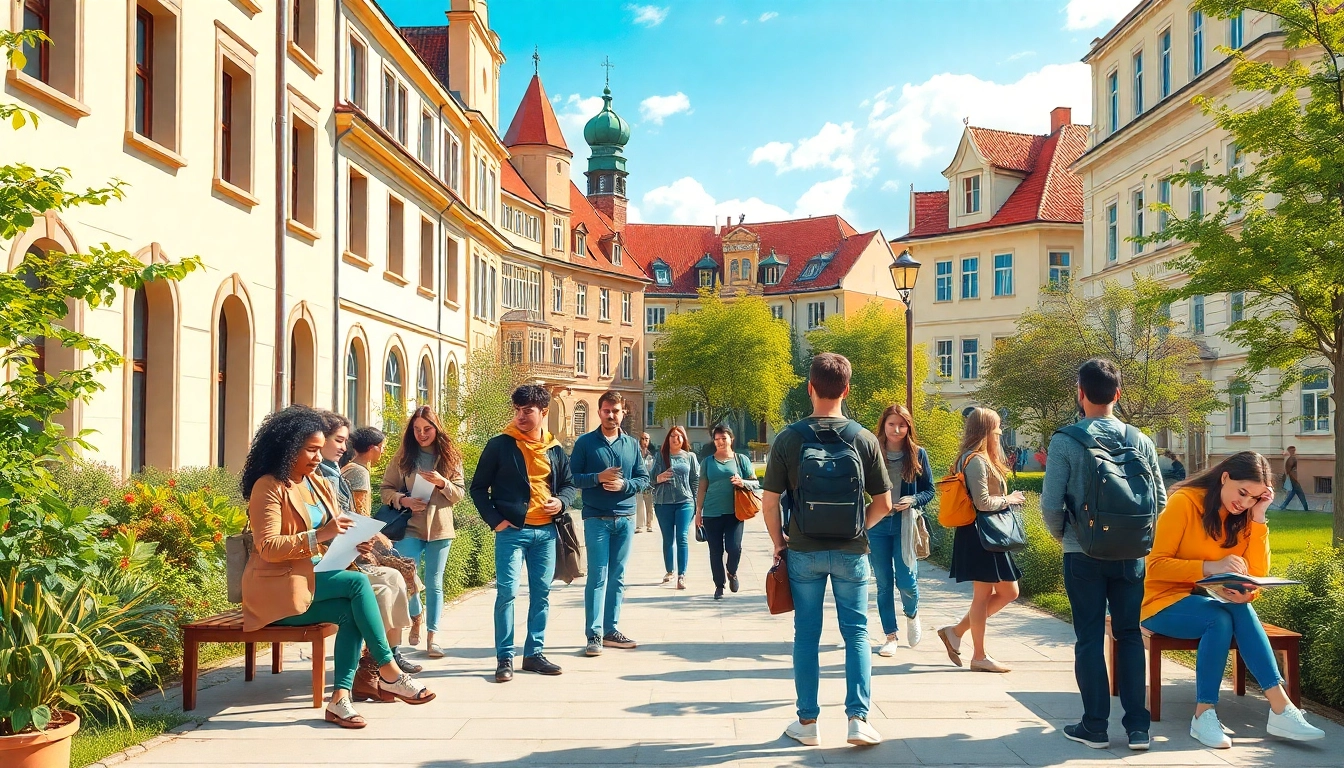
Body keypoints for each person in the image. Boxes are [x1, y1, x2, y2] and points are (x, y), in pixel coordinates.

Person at [239, 405, 433, 729]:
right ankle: (389, 671)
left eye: (319, 449)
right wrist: (322, 535)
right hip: (279, 590)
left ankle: (340, 700)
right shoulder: (269, 487)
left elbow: (332, 532)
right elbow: (268, 548)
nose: (318, 457)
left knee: (351, 606)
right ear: (288, 447)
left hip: (316, 580)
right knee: (357, 586)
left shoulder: (315, 482)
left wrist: (354, 542)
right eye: (311, 450)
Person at [1143, 451, 1325, 747]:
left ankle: (1278, 708)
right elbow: (1154, 565)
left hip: (1206, 600)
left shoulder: (1243, 516)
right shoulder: (1185, 502)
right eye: (1242, 492)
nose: (1244, 502)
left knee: (1237, 608)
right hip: (1159, 601)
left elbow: (1256, 572)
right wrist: (1209, 568)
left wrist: (1259, 518)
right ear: (1224, 477)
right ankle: (1208, 714)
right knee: (1220, 617)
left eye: (1254, 498)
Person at [763, 353, 892, 748]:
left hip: (804, 550)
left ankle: (807, 723)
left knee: (807, 635)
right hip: (852, 551)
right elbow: (884, 503)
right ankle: (858, 720)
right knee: (856, 633)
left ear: (810, 387)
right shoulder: (863, 438)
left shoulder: (789, 438)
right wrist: (857, 527)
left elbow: (769, 503)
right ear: (847, 389)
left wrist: (779, 542)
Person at [1041, 359, 1162, 751]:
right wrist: (1137, 538)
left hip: (1084, 552)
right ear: (1118, 394)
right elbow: (1158, 499)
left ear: (1080, 393)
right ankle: (1138, 728)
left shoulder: (1066, 440)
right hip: (1131, 555)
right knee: (1128, 635)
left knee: (1089, 637)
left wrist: (1066, 537)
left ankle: (1095, 726)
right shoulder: (1140, 439)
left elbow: (1050, 504)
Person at [470, 385, 578, 683]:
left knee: (541, 594)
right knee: (506, 593)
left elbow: (568, 485)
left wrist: (562, 501)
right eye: (516, 410)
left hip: (545, 532)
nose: (520, 416)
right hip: (512, 532)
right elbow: (478, 488)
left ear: (543, 412)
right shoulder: (500, 445)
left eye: (527, 411)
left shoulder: (555, 448)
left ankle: (533, 654)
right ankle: (505, 657)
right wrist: (496, 521)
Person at [316, 412, 419, 676]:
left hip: (343, 554)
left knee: (396, 577)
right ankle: (373, 666)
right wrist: (363, 537)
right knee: (392, 581)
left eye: (345, 441)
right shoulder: (324, 477)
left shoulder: (336, 473)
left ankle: (387, 659)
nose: (343, 447)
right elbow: (351, 516)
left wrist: (355, 539)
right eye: (338, 440)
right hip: (323, 566)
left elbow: (345, 519)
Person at [936, 407, 1025, 675]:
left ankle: (956, 632)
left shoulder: (982, 458)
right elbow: (983, 503)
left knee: (1009, 592)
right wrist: (1009, 499)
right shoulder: (975, 460)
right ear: (986, 430)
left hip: (987, 535)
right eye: (997, 428)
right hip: (981, 534)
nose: (999, 432)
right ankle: (979, 656)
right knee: (983, 596)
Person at [380, 406, 466, 659]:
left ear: (436, 428)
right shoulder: (403, 456)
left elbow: (459, 493)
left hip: (440, 528)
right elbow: (386, 489)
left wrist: (443, 482)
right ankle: (416, 616)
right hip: (409, 528)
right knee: (409, 581)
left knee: (435, 583)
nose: (422, 434)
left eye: (427, 429)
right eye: (416, 429)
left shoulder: (450, 457)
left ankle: (433, 636)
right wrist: (402, 500)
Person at [570, 391, 651, 656]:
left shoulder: (630, 445)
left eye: (616, 411)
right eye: (607, 410)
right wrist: (598, 477)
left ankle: (610, 629)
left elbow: (643, 478)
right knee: (597, 576)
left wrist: (625, 484)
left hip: (625, 518)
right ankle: (593, 635)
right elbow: (573, 478)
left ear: (622, 413)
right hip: (596, 518)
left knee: (618, 576)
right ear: (599, 412)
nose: (611, 415)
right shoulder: (585, 443)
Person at [868, 404, 934, 657]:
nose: (897, 429)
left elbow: (929, 490)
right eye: (891, 424)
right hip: (877, 524)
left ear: (908, 427)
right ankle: (890, 635)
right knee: (883, 583)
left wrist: (913, 500)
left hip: (905, 523)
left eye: (902, 425)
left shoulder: (917, 454)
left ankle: (912, 613)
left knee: (906, 579)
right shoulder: (873, 453)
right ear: (883, 425)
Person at [695, 423, 760, 600]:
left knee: (734, 547)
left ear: (731, 439)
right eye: (717, 439)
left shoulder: (741, 460)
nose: (720, 442)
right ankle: (719, 585)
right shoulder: (707, 462)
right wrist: (698, 511)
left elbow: (756, 484)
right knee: (715, 551)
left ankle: (732, 572)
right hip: (712, 513)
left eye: (724, 438)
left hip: (735, 512)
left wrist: (742, 482)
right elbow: (702, 488)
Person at [652, 425, 699, 590]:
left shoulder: (690, 457)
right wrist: (658, 478)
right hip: (663, 502)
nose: (675, 438)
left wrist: (696, 502)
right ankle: (670, 570)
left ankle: (681, 575)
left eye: (679, 436)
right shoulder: (660, 456)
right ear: (668, 439)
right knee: (667, 538)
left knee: (682, 536)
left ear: (684, 439)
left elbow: (695, 480)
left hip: (685, 502)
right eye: (672, 436)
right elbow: (649, 479)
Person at [341, 426, 386, 516]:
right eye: (381, 446)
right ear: (371, 447)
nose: (383, 451)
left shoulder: (349, 467)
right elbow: (360, 510)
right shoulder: (359, 472)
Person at [635, 432, 656, 533]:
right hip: (639, 482)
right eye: (643, 439)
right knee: (639, 503)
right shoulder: (636, 453)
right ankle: (639, 525)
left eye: (646, 439)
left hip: (648, 483)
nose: (644, 441)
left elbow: (653, 469)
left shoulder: (651, 455)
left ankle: (649, 524)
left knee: (649, 504)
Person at [1277, 446, 1309, 511]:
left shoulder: (1291, 459)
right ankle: (1306, 508)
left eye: (1294, 450)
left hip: (1293, 479)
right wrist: (1295, 479)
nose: (1294, 451)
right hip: (1293, 479)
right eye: (1292, 450)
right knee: (1300, 493)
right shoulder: (1291, 459)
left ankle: (1283, 506)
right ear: (1289, 451)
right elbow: (1290, 471)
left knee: (1293, 493)